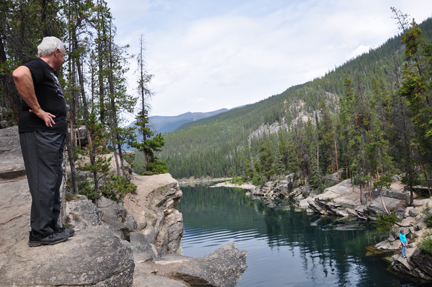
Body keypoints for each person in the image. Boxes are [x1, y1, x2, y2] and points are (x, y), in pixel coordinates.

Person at [13, 36, 74, 247]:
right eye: (64, 55)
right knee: (44, 181)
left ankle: (52, 226)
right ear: (56, 52)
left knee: (53, 180)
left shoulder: (49, 73)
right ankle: (40, 233)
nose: (64, 59)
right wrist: (38, 110)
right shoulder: (37, 65)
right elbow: (19, 74)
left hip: (51, 135)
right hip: (40, 134)